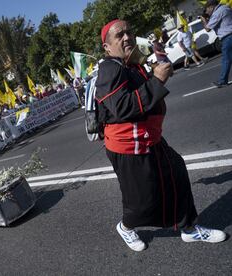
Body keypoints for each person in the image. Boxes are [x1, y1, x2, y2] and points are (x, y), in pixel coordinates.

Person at [95, 19, 226, 251]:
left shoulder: (130, 64)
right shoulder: (109, 69)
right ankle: (126, 228)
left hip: (149, 138)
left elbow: (144, 93)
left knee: (176, 173)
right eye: (119, 36)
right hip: (128, 147)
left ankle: (189, 229)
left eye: (129, 32)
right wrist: (157, 80)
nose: (127, 37)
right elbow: (123, 107)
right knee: (141, 201)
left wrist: (158, 74)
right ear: (107, 47)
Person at [201, 0, 232, 88]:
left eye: (207, 10)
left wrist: (204, 20)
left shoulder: (217, 12)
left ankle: (222, 81)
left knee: (226, 60)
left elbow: (208, 29)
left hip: (227, 37)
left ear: (211, 7)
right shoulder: (226, 7)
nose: (207, 12)